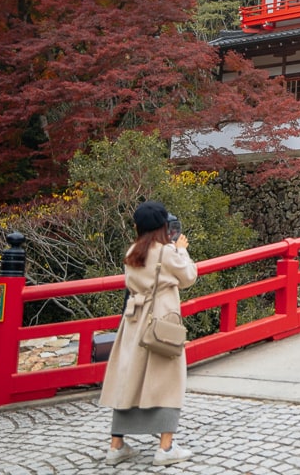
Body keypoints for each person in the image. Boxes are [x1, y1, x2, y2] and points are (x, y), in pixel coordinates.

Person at [101, 200, 198, 466]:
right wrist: (181, 251)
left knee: (128, 378)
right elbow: (188, 277)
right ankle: (165, 448)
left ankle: (116, 444)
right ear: (164, 227)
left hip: (134, 320)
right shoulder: (166, 251)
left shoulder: (132, 251)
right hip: (162, 320)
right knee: (167, 380)